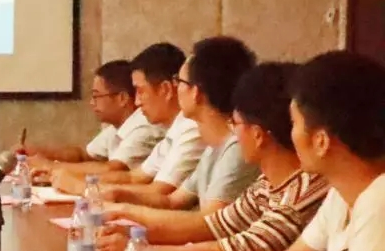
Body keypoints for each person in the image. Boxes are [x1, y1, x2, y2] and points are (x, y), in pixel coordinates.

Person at [157, 52, 385, 251]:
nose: (289, 135)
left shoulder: (378, 199)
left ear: (320, 141)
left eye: (294, 123)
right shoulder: (341, 195)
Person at [101, 36, 259, 212]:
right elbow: (172, 201)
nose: (175, 89)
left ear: (196, 92)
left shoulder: (237, 146)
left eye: (179, 82)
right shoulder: (213, 147)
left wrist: (126, 211)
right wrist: (119, 195)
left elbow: (207, 222)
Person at [52, 42, 204, 197]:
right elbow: (134, 177)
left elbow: (159, 192)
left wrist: (83, 187)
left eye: (140, 91)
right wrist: (77, 180)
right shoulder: (176, 128)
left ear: (165, 89)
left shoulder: (192, 128)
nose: (136, 102)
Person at [26, 60, 164, 174]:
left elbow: (113, 169)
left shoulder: (144, 126)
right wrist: (37, 152)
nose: (92, 103)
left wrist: (50, 166)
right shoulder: (116, 127)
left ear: (122, 98)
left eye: (96, 96)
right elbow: (82, 155)